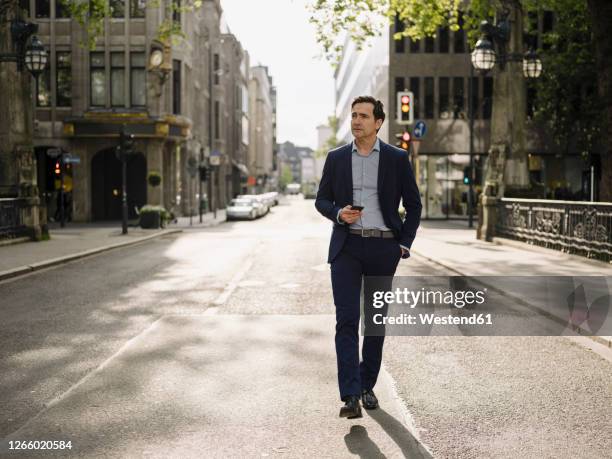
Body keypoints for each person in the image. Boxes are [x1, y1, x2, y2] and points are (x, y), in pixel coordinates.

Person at [315, 96, 422, 419]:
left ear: (378, 122)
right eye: (353, 115)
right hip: (346, 248)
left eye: (363, 116)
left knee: (374, 323)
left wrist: (404, 243)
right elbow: (321, 200)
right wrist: (338, 214)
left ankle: (366, 385)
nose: (356, 121)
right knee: (346, 320)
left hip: (382, 248)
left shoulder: (395, 158)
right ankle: (350, 395)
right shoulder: (335, 159)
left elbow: (414, 205)